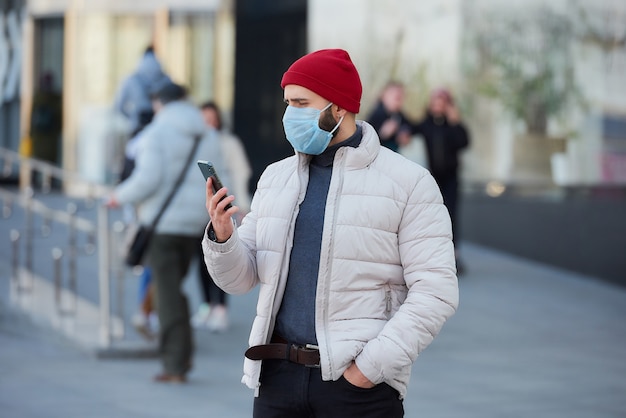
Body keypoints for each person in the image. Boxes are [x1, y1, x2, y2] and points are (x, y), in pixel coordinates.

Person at [202, 49, 458, 417]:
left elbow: (437, 291)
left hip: (357, 388)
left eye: (302, 103)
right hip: (276, 379)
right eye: (288, 103)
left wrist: (369, 369)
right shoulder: (276, 178)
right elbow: (240, 280)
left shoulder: (409, 182)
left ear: (339, 108)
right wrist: (224, 237)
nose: (290, 114)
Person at [107, 82, 228, 383]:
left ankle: (176, 363)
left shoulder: (159, 132)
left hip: (164, 226)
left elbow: (148, 178)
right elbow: (213, 178)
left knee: (167, 292)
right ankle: (181, 351)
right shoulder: (207, 134)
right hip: (195, 224)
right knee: (171, 288)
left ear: (161, 103)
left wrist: (118, 196)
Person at [192, 101, 253, 332]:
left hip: (225, 208)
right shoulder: (195, 142)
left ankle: (220, 309)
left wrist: (243, 204)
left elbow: (240, 172)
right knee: (203, 260)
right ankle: (206, 305)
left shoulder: (229, 143)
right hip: (199, 210)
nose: (208, 123)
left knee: (225, 256)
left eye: (211, 118)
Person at [412, 88, 470, 274]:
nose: (437, 106)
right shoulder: (426, 124)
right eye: (434, 102)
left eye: (441, 103)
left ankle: (454, 256)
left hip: (451, 178)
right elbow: (411, 130)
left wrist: (455, 122)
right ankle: (435, 256)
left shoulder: (452, 125)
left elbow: (464, 142)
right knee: (432, 216)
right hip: (433, 179)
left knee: (451, 215)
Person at [366, 81, 413, 152]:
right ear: (383, 96)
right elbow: (366, 137)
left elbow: (411, 126)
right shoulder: (377, 113)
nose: (397, 101)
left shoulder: (399, 115)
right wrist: (382, 134)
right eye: (395, 96)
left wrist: (405, 133)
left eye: (400, 97)